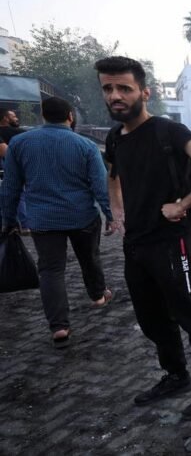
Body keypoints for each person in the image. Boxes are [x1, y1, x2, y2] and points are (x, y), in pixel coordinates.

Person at [96, 56, 191, 421]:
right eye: (108, 89)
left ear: (144, 92)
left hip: (174, 242)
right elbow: (114, 175)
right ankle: (177, 376)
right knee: (152, 317)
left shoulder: (168, 131)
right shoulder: (114, 137)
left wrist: (183, 204)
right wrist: (117, 211)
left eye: (123, 88)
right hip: (136, 244)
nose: (115, 96)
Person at [0, 97, 114, 348]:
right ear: (70, 116)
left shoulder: (19, 143)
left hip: (43, 219)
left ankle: (59, 327)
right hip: (82, 215)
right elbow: (99, 185)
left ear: (43, 115)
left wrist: (9, 220)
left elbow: (10, 187)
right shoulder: (85, 145)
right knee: (90, 258)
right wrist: (110, 216)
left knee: (51, 270)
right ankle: (97, 296)